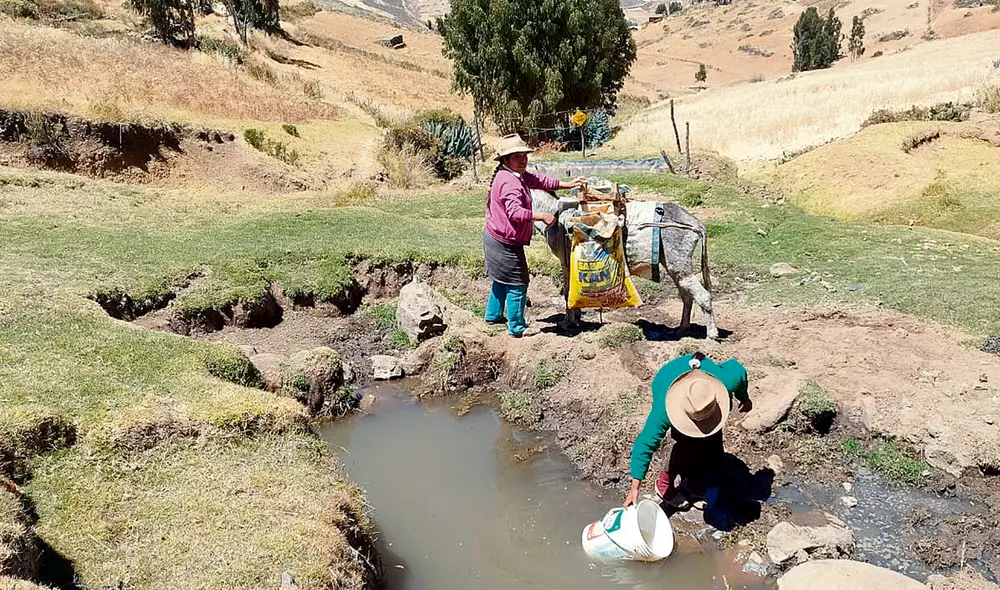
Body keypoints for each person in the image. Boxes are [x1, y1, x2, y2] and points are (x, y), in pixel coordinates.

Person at [483, 134, 584, 337]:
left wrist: (568, 184)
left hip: (497, 237)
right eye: (516, 157)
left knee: (501, 279)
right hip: (503, 242)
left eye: (524, 156)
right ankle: (517, 327)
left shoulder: (514, 174)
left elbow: (539, 180)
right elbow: (515, 212)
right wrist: (541, 216)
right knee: (518, 282)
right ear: (505, 160)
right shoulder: (509, 182)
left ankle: (493, 315)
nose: (523, 160)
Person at [623, 352, 753, 509]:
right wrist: (634, 487)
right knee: (683, 442)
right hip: (666, 378)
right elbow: (645, 443)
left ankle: (696, 482)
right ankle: (665, 483)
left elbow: (739, 370)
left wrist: (744, 398)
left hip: (703, 381)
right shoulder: (664, 409)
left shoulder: (726, 381)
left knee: (711, 440)